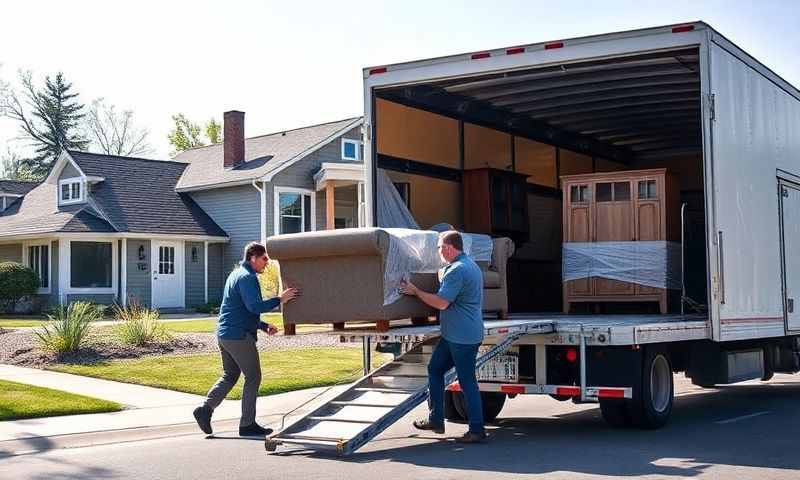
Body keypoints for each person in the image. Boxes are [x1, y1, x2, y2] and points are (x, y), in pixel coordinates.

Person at [193, 242, 299, 437]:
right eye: (264, 259)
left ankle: (205, 410)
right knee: (253, 376)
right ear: (253, 258)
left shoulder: (236, 274)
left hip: (225, 335)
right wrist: (280, 299)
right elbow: (254, 306)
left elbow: (241, 309)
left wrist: (263, 326)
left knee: (230, 375)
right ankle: (247, 424)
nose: (267, 263)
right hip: (239, 336)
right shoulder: (248, 277)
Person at [399, 230, 487, 444]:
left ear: (448, 247)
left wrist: (416, 291)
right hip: (457, 335)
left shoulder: (457, 270)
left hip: (462, 338)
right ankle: (436, 419)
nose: (438, 251)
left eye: (439, 247)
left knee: (467, 382)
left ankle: (477, 430)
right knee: (435, 369)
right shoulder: (470, 265)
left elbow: (442, 303)